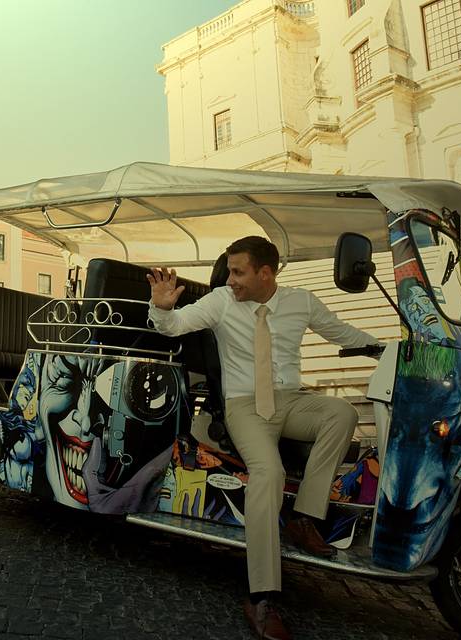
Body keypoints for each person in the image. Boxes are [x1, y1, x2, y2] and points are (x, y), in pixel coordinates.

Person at [146, 236, 380, 640]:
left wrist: (391, 349)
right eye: (230, 271)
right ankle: (262, 596)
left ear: (265, 273)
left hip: (290, 402)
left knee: (340, 413)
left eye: (238, 272)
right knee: (268, 473)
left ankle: (305, 519)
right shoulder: (220, 300)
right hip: (244, 406)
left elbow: (342, 333)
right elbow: (175, 326)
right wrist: (162, 308)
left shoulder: (300, 301)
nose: (231, 279)